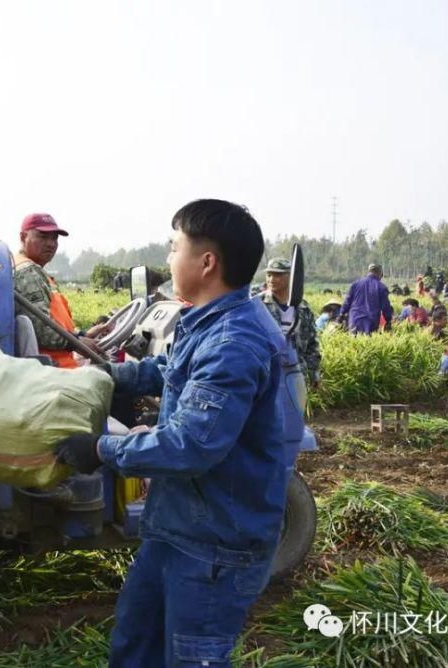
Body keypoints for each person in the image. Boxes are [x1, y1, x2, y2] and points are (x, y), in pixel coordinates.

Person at [54, 199, 285, 667]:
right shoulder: (209, 320)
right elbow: (170, 369)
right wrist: (103, 377)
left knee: (188, 657)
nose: (167, 257)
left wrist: (102, 449)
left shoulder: (234, 342)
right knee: (135, 647)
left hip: (214, 544)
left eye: (174, 245)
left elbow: (191, 444)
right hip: (176, 526)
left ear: (207, 262)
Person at [13, 213, 107, 367]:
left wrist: (83, 335)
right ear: (23, 238)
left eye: (54, 238)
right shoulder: (27, 273)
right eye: (42, 237)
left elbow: (52, 322)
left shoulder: (37, 271)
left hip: (62, 364)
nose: (50, 244)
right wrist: (77, 343)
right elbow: (44, 332)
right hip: (56, 371)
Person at [261, 257, 321, 386]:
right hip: (266, 375)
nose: (271, 279)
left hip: (296, 374)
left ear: (291, 277)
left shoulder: (303, 308)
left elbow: (312, 343)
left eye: (277, 275)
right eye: (269, 275)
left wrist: (314, 372)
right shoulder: (258, 305)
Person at [339, 263, 393, 334]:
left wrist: (341, 314)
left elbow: (347, 301)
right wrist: (388, 320)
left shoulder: (356, 284)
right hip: (371, 322)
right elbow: (385, 307)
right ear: (380, 273)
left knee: (354, 343)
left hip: (355, 319)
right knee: (367, 343)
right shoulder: (381, 287)